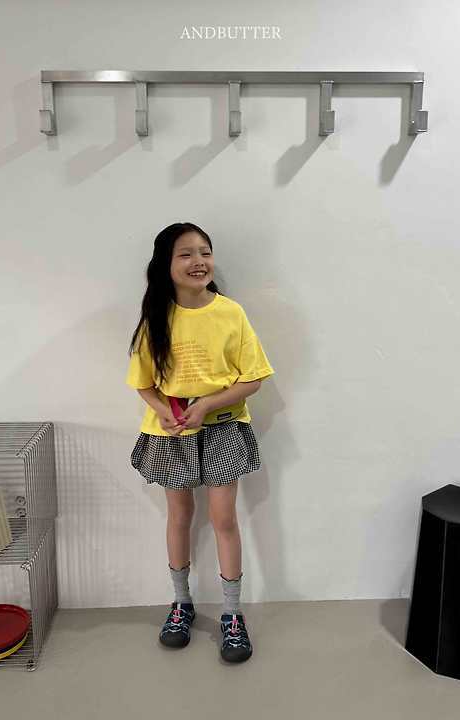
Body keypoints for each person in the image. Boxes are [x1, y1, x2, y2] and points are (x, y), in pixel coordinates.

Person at [125, 222, 274, 663]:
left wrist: (207, 404)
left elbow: (253, 378)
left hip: (223, 430)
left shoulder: (231, 313)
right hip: (172, 434)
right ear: (165, 265)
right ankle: (181, 603)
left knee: (224, 518)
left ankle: (231, 613)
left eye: (205, 252)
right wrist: (165, 410)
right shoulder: (156, 318)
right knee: (179, 516)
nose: (198, 261)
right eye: (186, 253)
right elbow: (143, 383)